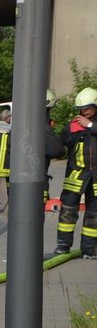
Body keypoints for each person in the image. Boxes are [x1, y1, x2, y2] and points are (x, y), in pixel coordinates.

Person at [54, 87, 97, 257]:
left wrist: (91, 125)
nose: (83, 112)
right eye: (81, 109)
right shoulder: (72, 126)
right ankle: (63, 245)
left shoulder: (92, 124)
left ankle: (89, 249)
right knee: (68, 212)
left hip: (95, 178)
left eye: (86, 108)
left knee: (94, 214)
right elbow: (62, 147)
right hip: (75, 176)